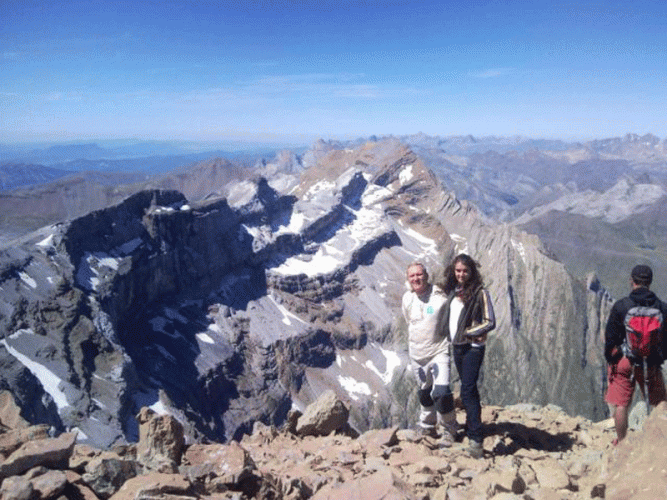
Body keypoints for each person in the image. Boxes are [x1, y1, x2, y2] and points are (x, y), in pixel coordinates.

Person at [437, 253, 495, 458]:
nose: (461, 274)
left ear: (472, 272)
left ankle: (476, 440)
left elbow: (490, 322)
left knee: (468, 390)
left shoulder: (480, 293)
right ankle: (473, 429)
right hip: (458, 347)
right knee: (468, 390)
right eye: (458, 270)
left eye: (465, 271)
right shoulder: (454, 292)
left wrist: (469, 332)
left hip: (473, 348)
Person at [604, 264, 667, 444]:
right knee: (660, 403)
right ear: (650, 282)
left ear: (632, 281)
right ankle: (660, 442)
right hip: (650, 363)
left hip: (625, 362)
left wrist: (613, 360)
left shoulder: (621, 306)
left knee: (622, 405)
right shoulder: (662, 308)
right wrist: (658, 358)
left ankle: (622, 442)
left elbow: (611, 339)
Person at [401, 262, 457, 447]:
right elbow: (409, 320)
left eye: (419, 274)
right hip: (417, 354)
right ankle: (427, 425)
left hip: (438, 351)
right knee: (424, 392)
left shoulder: (439, 295)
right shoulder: (407, 299)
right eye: (412, 276)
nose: (416, 279)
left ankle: (449, 428)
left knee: (441, 392)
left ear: (426, 275)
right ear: (408, 279)